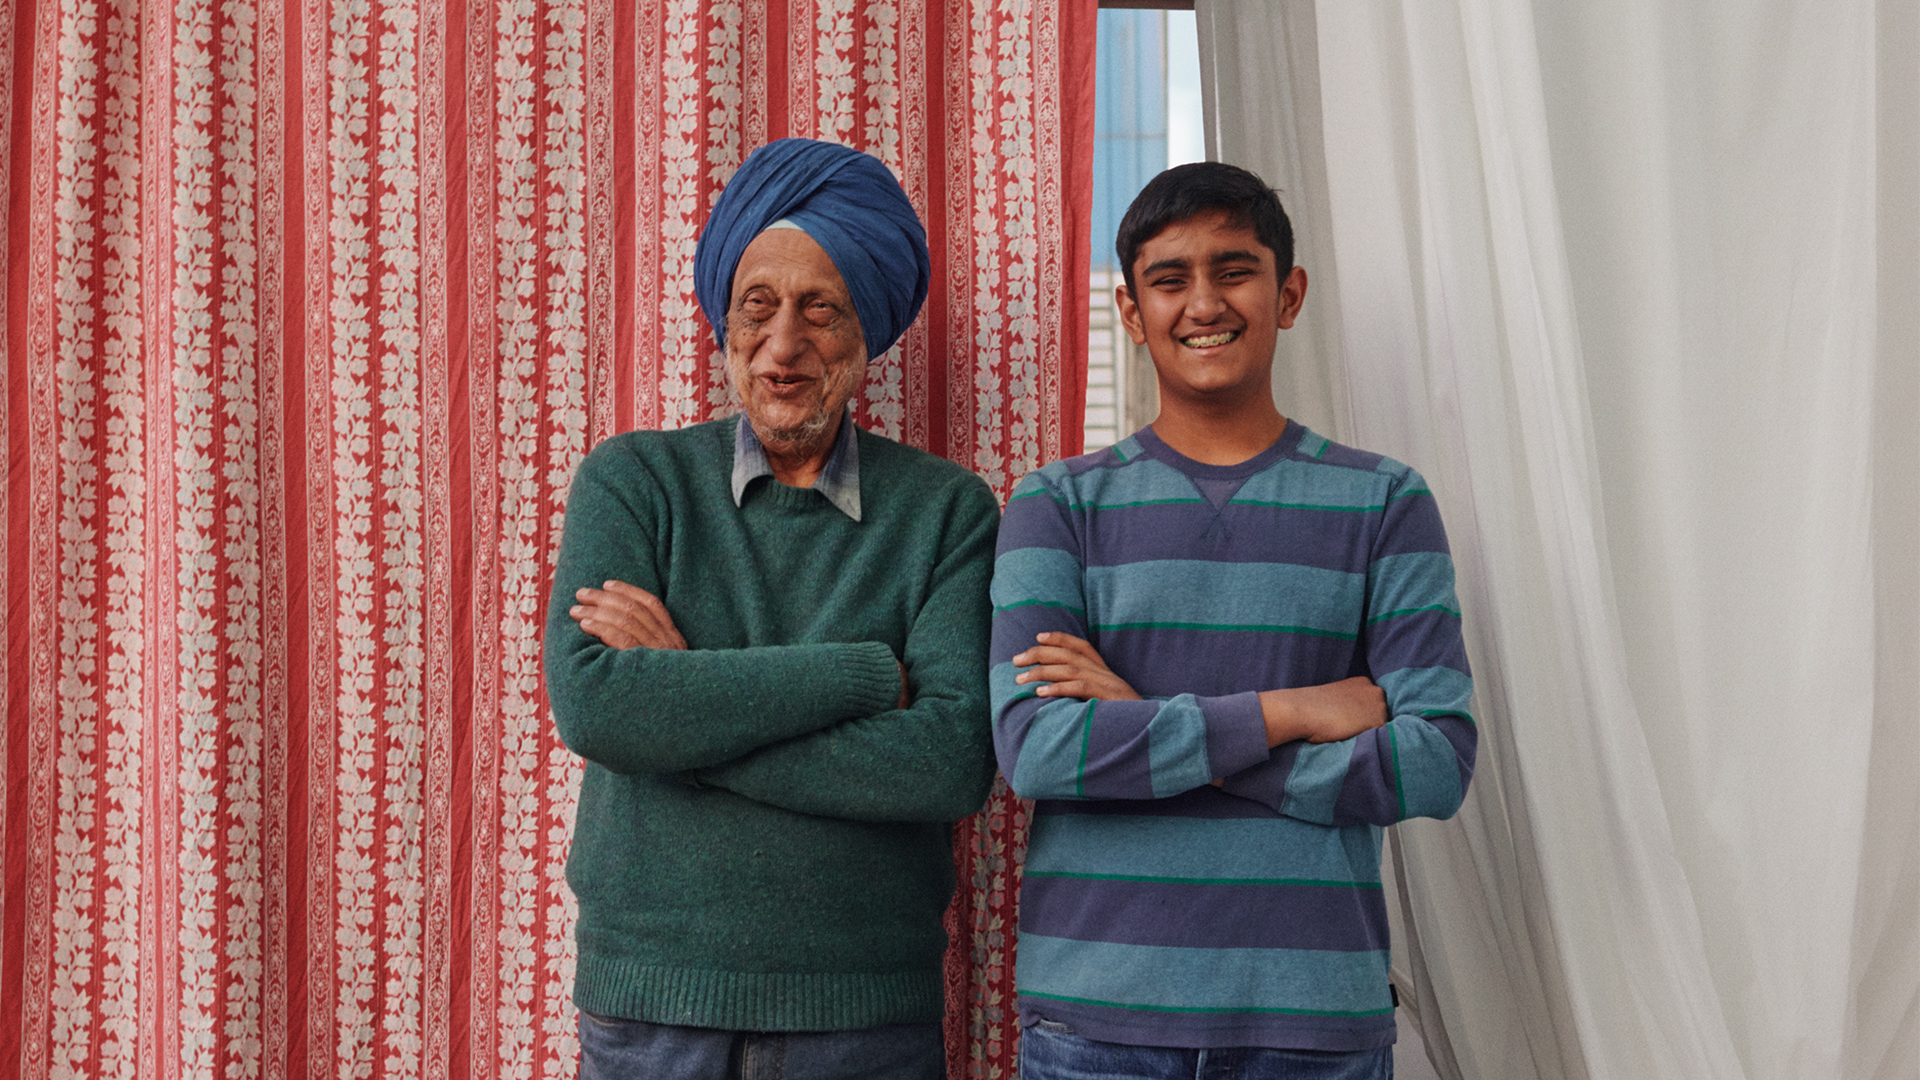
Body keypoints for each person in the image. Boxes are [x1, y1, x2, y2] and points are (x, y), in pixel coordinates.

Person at [989, 161, 1477, 1080]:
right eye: (1169, 280)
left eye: (1234, 269)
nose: (1203, 302)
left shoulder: (1385, 502)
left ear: (1287, 295)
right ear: (1132, 315)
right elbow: (1039, 751)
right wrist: (1289, 713)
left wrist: (1138, 713)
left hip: (1314, 1025)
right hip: (1098, 1025)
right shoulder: (1054, 505)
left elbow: (1436, 762)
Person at [544, 138, 1001, 1080]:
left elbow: (949, 764)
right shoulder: (633, 482)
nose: (783, 344)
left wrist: (685, 721)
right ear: (723, 324)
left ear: (865, 331)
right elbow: (599, 707)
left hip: (864, 1017)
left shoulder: (948, 511)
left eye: (819, 309)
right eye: (757, 307)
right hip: (649, 1009)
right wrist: (862, 673)